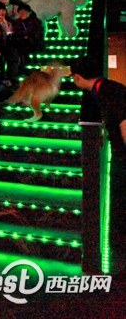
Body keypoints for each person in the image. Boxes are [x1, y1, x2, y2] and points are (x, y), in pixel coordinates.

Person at [70, 56, 126, 274]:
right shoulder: (103, 89)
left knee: (120, 205)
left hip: (123, 157)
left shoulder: (109, 91)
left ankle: (119, 265)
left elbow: (123, 123)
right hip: (119, 154)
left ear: (77, 77)